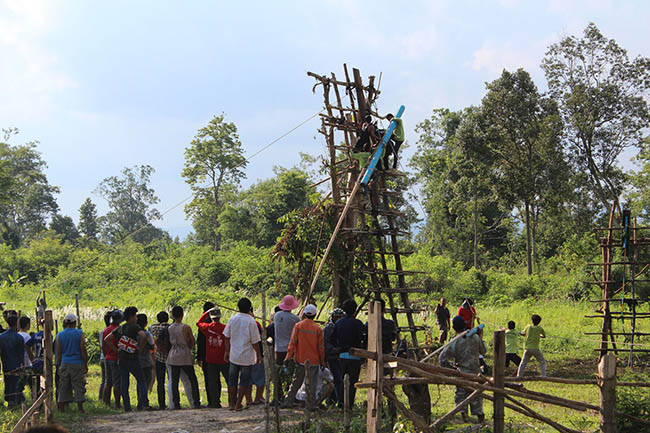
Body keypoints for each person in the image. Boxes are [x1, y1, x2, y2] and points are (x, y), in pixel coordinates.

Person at [439, 316, 486, 424]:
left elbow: (442, 359)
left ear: (454, 328)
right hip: (476, 372)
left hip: (462, 373)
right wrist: (480, 336)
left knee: (461, 396)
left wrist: (451, 368)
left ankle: (464, 416)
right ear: (465, 325)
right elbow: (483, 351)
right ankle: (480, 418)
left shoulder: (455, 341)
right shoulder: (475, 337)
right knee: (476, 397)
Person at [282, 304, 325, 409]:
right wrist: (322, 362)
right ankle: (311, 404)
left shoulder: (298, 326)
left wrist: (287, 357)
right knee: (312, 384)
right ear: (314, 315)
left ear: (305, 314)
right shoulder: (318, 329)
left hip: (300, 359)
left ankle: (288, 401)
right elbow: (321, 348)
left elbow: (292, 343)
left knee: (297, 381)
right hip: (314, 361)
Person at [108, 306, 150, 411]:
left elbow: (107, 339)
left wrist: (116, 349)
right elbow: (143, 336)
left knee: (124, 383)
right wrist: (140, 347)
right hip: (133, 357)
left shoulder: (120, 328)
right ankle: (145, 403)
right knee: (141, 380)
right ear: (131, 316)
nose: (136, 318)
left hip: (121, 358)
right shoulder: (134, 327)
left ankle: (127, 406)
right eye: (135, 315)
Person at [223, 297, 262, 411]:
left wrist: (226, 351)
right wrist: (258, 355)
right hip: (246, 356)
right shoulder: (251, 321)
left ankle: (231, 403)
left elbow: (226, 336)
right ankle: (238, 403)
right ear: (249, 308)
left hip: (234, 355)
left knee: (232, 380)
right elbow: (255, 341)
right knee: (244, 381)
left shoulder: (232, 319)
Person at [330, 299, 366, 409]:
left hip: (342, 355)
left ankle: (341, 403)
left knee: (341, 380)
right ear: (355, 310)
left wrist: (339, 347)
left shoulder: (339, 323)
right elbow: (363, 338)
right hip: (355, 355)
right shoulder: (358, 323)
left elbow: (332, 339)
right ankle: (349, 404)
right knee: (353, 381)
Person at [167, 306, 201, 409]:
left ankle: (176, 403)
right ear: (182, 315)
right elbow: (191, 341)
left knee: (174, 380)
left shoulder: (170, 328)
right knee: (192, 379)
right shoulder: (186, 327)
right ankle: (195, 402)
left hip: (173, 353)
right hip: (184, 353)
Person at [196, 307, 228, 408]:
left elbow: (198, 322)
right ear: (220, 316)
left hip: (210, 359)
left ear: (211, 317)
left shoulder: (207, 327)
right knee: (229, 380)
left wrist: (206, 312)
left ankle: (215, 402)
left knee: (213, 381)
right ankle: (233, 400)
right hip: (223, 358)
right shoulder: (225, 328)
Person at [55, 314, 88, 413]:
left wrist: (58, 364)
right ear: (75, 322)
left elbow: (59, 351)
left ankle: (61, 408)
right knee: (78, 385)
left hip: (64, 362)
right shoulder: (79, 333)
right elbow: (83, 349)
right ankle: (80, 408)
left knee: (63, 386)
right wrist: (85, 363)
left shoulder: (59, 335)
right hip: (77, 363)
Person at [273, 295, 300, 394]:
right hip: (291, 349)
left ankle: (278, 393)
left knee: (279, 371)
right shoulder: (295, 319)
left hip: (278, 349)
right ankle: (288, 392)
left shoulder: (277, 316)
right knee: (291, 371)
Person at [0, 314, 25, 407]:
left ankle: (9, 400)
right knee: (16, 384)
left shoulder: (1, 337)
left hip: (6, 364)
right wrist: (23, 365)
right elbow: (21, 354)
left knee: (7, 382)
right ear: (16, 323)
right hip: (16, 365)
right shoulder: (19, 337)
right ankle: (14, 402)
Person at [323, 308, 344, 406]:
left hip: (341, 357)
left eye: (340, 317)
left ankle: (338, 400)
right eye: (336, 317)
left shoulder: (342, 327)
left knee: (340, 379)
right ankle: (332, 401)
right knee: (334, 379)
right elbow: (326, 344)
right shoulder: (328, 329)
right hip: (331, 357)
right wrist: (336, 350)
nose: (338, 319)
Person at [149, 311, 170, 409]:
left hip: (157, 357)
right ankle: (173, 402)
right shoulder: (170, 327)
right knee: (172, 381)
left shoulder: (152, 328)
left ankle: (161, 403)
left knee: (160, 382)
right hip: (170, 357)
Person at [101, 309, 122, 408]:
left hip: (107, 357)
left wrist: (106, 355)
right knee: (117, 382)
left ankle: (106, 403)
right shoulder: (118, 330)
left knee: (107, 382)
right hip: (115, 358)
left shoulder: (106, 329)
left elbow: (103, 345)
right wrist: (116, 350)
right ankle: (117, 404)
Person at [196, 301, 215, 407]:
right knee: (216, 378)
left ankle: (211, 400)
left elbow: (200, 341)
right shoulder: (216, 323)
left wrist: (199, 356)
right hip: (216, 354)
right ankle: (216, 399)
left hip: (206, 355)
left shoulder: (203, 325)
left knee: (208, 378)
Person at [249, 306, 266, 405]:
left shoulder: (237, 322)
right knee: (260, 378)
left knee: (248, 378)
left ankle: (251, 399)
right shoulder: (255, 324)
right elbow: (259, 340)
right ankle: (256, 398)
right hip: (255, 353)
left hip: (245, 354)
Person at [136, 313, 155, 395]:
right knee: (147, 380)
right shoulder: (147, 334)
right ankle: (144, 401)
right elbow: (152, 346)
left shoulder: (133, 333)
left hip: (136, 360)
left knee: (139, 381)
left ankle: (140, 401)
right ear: (146, 323)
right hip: (146, 361)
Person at [18, 316, 35, 396]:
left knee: (19, 386)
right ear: (28, 325)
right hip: (27, 363)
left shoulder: (17, 335)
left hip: (18, 365)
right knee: (32, 385)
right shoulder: (27, 337)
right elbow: (30, 351)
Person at [98, 311, 112, 401]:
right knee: (110, 380)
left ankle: (101, 398)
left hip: (102, 357)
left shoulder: (102, 332)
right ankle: (106, 399)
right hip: (109, 357)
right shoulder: (111, 331)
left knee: (104, 380)